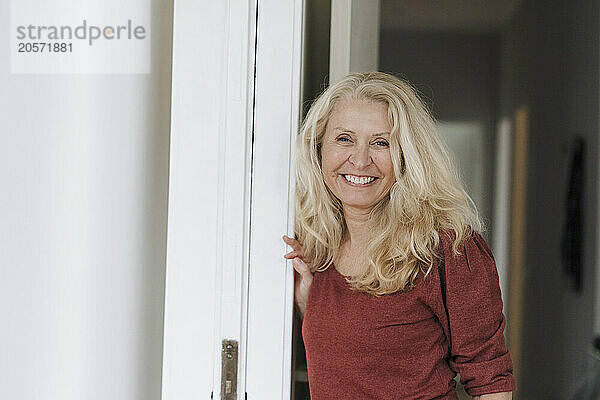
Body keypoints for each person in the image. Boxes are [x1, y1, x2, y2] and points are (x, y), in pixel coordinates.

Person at [282, 72, 516, 399]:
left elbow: (491, 382)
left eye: (381, 142)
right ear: (319, 148)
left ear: (406, 154)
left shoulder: (448, 249)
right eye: (344, 139)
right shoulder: (315, 248)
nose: (360, 160)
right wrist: (310, 302)